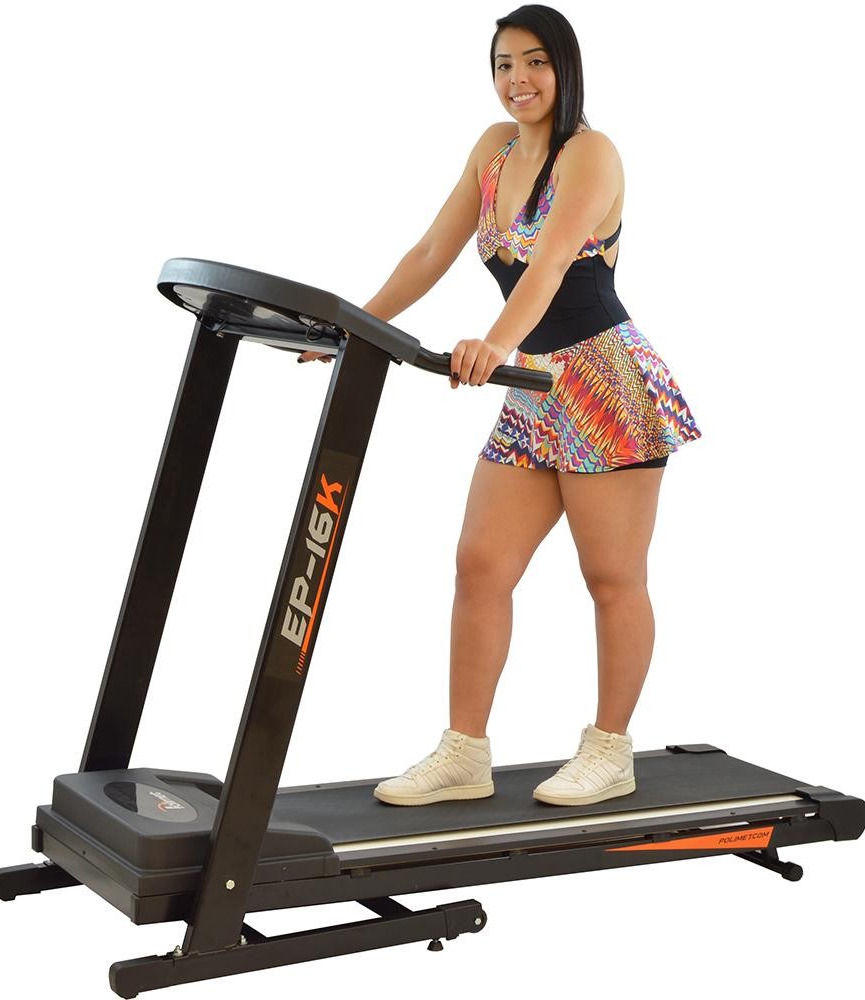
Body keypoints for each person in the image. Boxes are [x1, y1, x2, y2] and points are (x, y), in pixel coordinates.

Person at [299, 4, 701, 807]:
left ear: (565, 68)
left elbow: (549, 267)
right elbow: (430, 250)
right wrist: (355, 327)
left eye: (535, 62)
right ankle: (464, 753)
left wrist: (491, 343)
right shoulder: (493, 149)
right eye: (504, 64)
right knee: (480, 565)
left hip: (605, 385)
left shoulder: (590, 154)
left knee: (611, 577)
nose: (518, 79)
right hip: (534, 388)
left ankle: (609, 752)